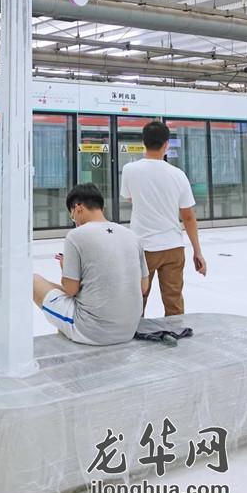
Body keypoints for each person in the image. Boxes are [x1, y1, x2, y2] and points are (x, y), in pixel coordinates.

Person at [33, 183, 149, 346]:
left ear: (78, 208)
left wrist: (65, 267)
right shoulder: (132, 236)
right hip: (129, 329)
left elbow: (71, 290)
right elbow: (143, 287)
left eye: (72, 216)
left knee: (33, 281)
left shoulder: (76, 236)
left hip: (93, 331)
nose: (74, 221)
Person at [120, 119, 207, 318]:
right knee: (174, 301)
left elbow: (130, 198)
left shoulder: (130, 170)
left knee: (138, 299)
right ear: (166, 144)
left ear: (143, 143)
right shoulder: (178, 175)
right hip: (173, 247)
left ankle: (133, 332)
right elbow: (188, 217)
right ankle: (176, 333)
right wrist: (197, 251)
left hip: (143, 247)